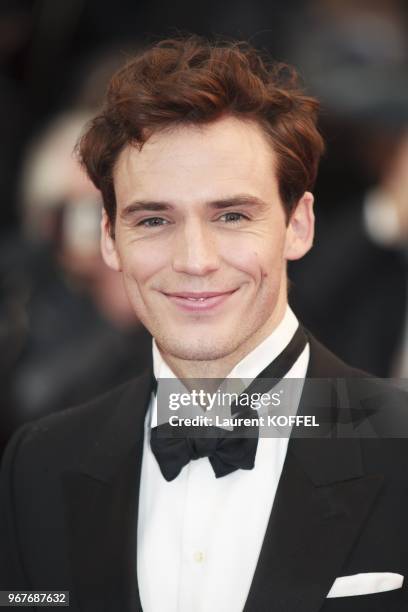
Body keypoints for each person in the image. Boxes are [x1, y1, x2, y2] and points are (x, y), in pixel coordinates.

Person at [0, 36, 407, 612]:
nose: (195, 259)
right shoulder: (39, 465)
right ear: (109, 239)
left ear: (299, 226)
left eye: (233, 215)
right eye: (154, 220)